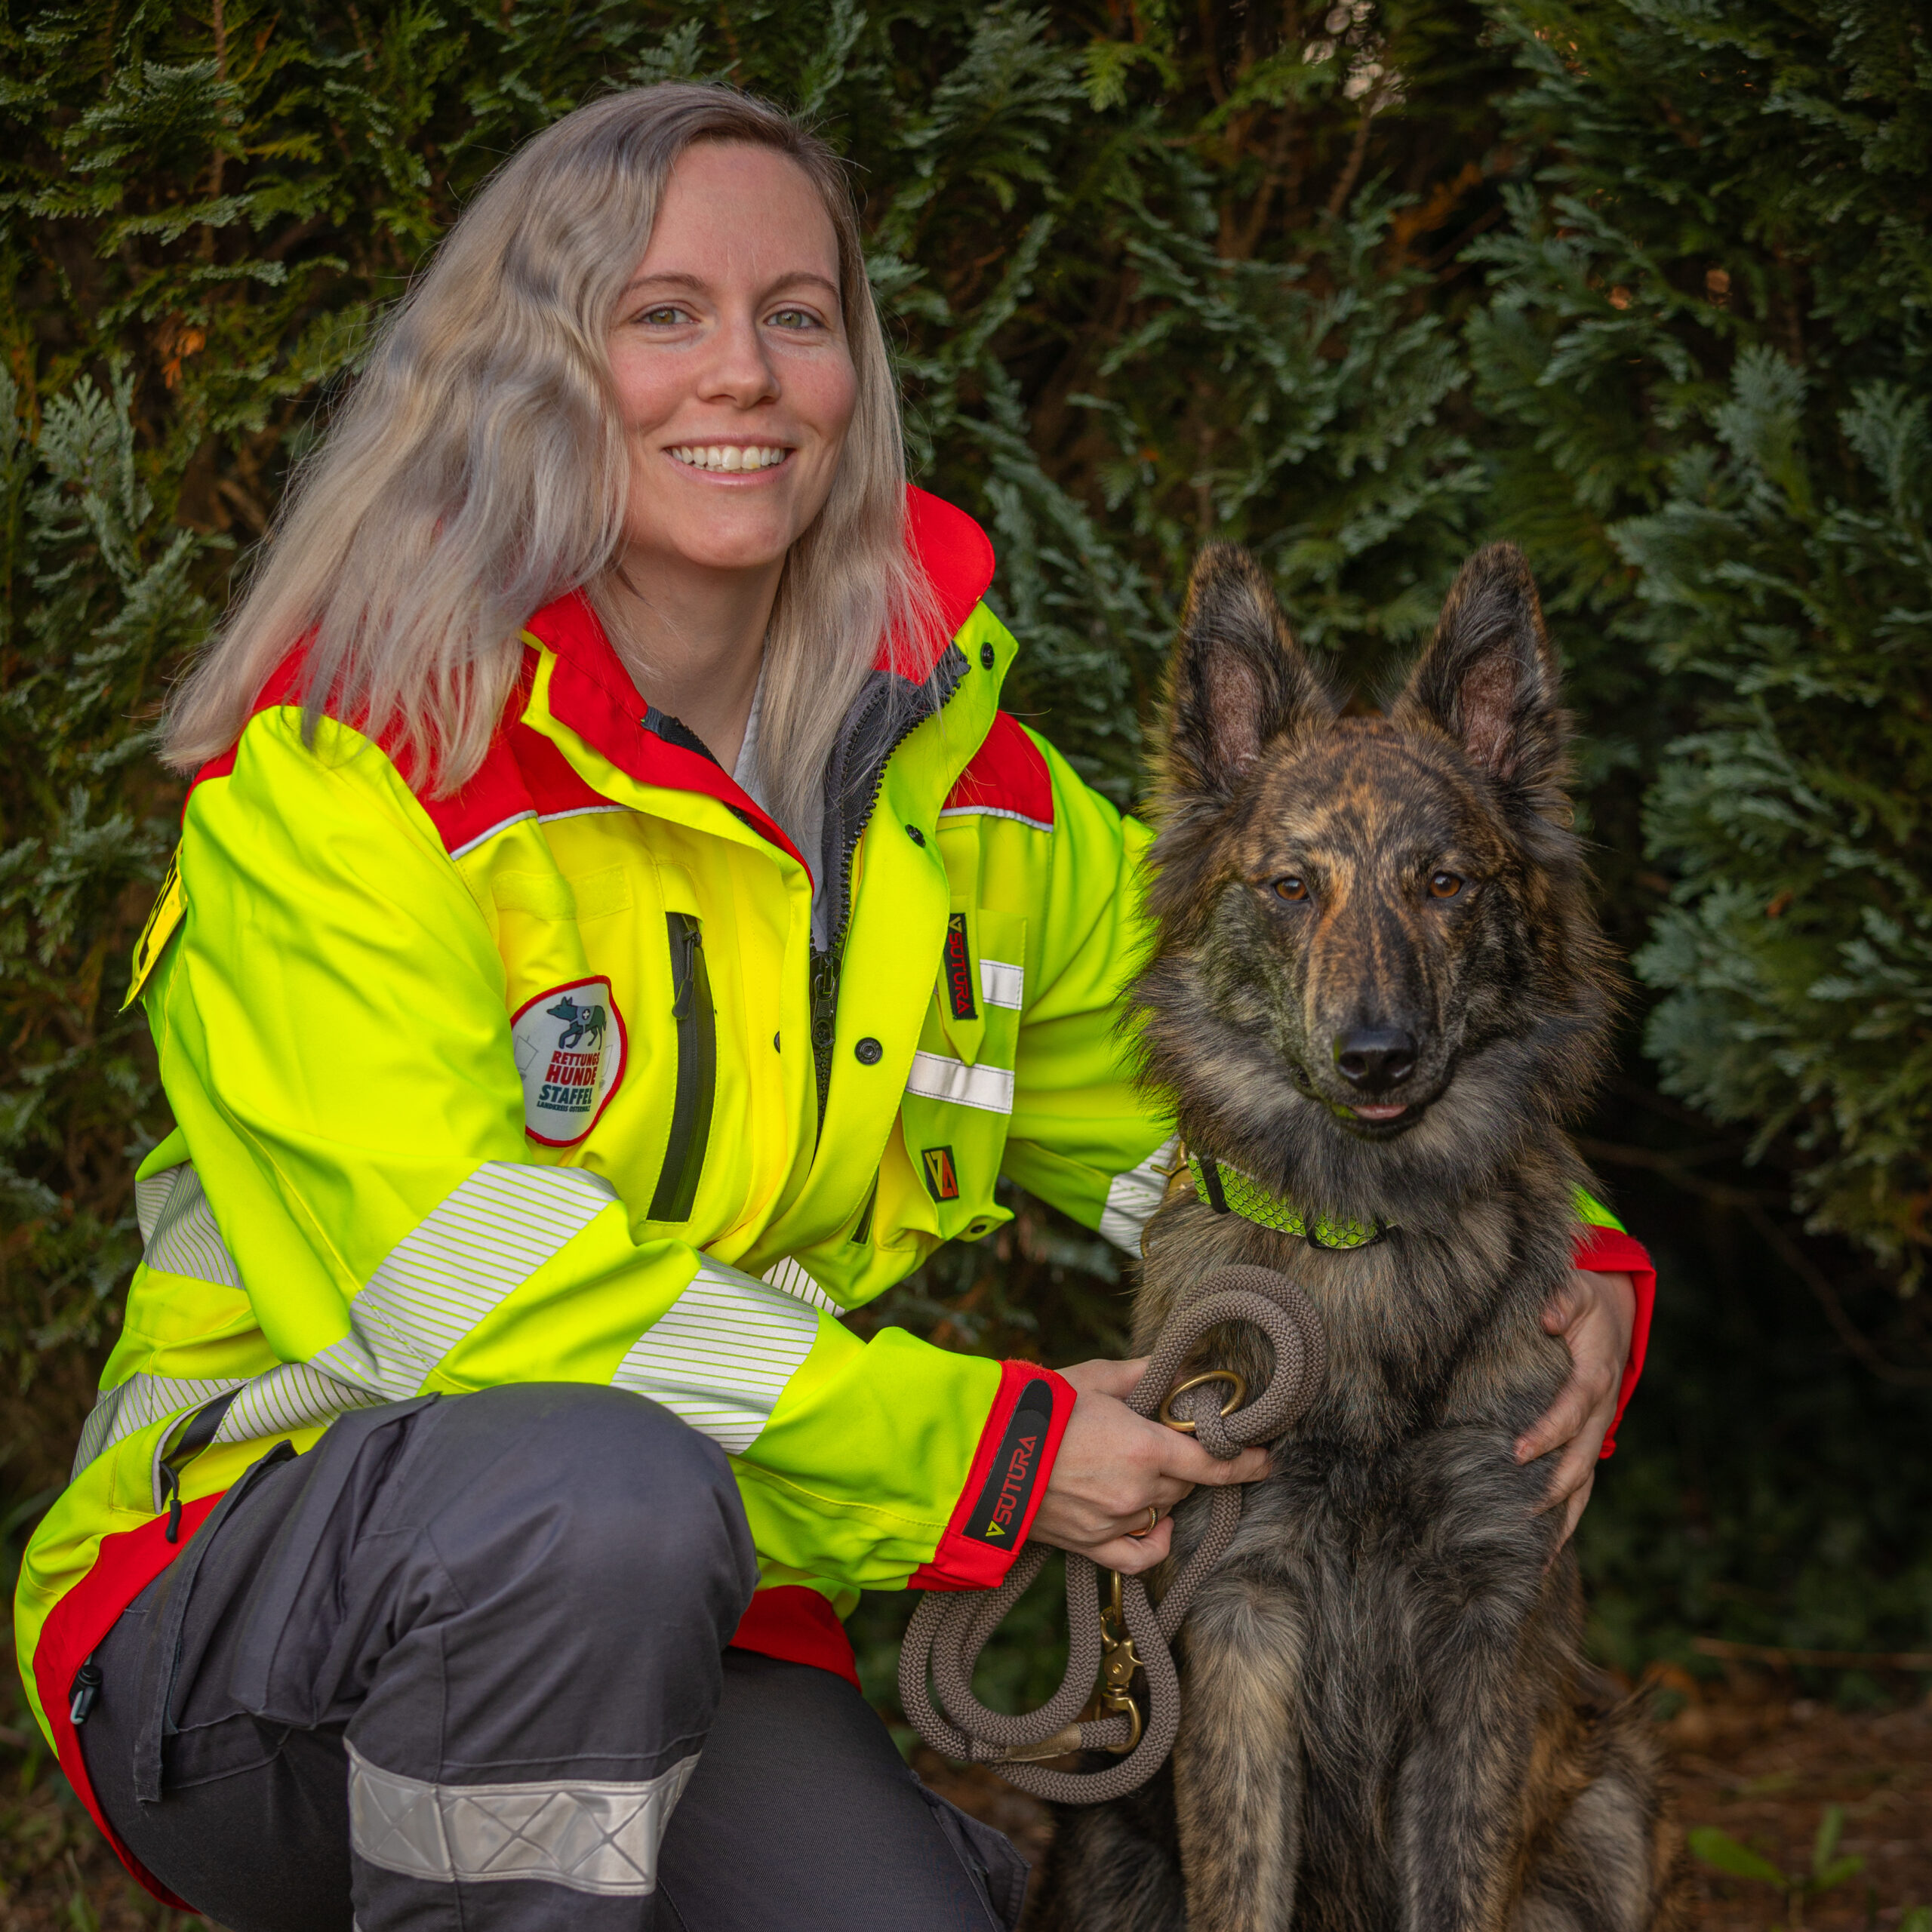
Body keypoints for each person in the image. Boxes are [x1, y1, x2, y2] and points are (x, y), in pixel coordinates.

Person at [13, 83, 1654, 1932]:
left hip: (687, 1601)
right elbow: (460, 1296)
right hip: (244, 1607)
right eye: (663, 313)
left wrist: (1571, 1268)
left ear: (852, 378)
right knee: (594, 1491)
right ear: (529, 368)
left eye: (796, 314)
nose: (744, 370)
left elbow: (1272, 1110)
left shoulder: (970, 800)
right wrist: (995, 1454)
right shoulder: (351, 767)